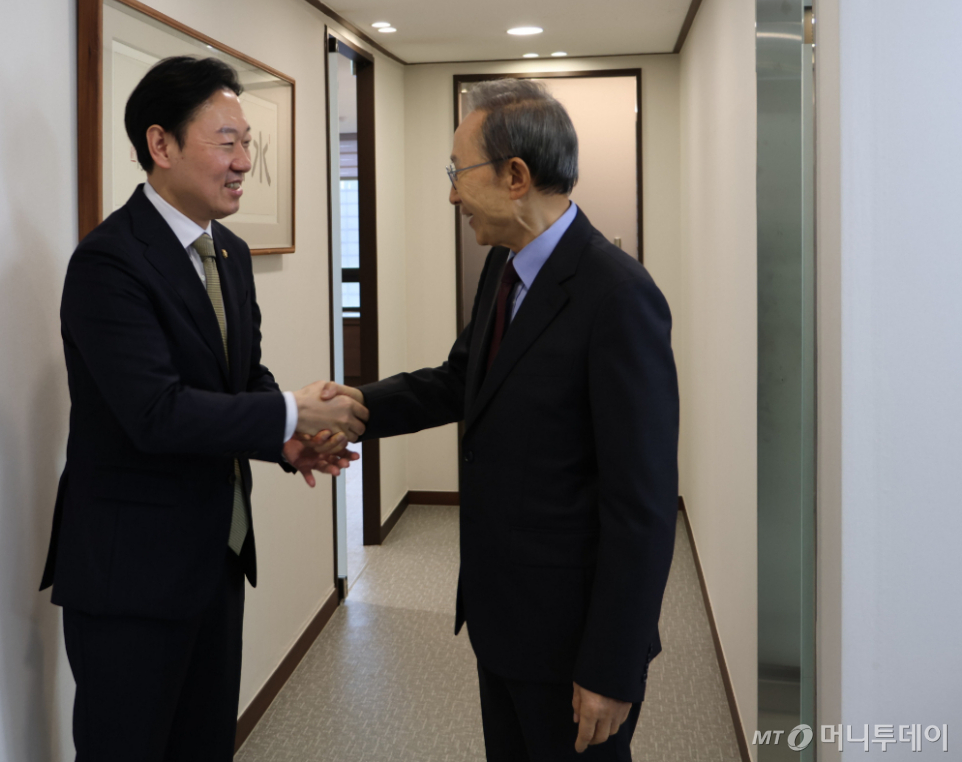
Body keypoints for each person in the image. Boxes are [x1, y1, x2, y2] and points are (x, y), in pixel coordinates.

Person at [321, 79, 679, 760]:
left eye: (458, 173)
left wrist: (612, 665)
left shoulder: (618, 297)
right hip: (504, 619)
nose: (452, 195)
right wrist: (353, 410)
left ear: (515, 176)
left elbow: (643, 505)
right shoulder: (503, 267)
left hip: (574, 640)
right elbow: (462, 382)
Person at [39, 56, 366, 761]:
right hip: (131, 574)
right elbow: (155, 413)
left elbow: (241, 376)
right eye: (227, 143)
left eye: (248, 143)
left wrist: (284, 441)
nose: (244, 162)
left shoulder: (230, 253)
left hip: (216, 555)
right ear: (160, 145)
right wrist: (290, 414)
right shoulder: (108, 262)